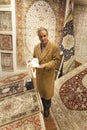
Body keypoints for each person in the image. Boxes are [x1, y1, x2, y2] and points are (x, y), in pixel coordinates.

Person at [33, 27, 61, 117]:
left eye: (44, 36)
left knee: (47, 94)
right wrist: (31, 63)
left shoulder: (54, 47)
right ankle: (42, 105)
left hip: (48, 74)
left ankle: (47, 108)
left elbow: (56, 61)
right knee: (41, 92)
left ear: (47, 35)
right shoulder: (36, 47)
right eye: (40, 36)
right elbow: (34, 58)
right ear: (38, 37)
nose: (43, 38)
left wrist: (45, 65)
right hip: (39, 74)